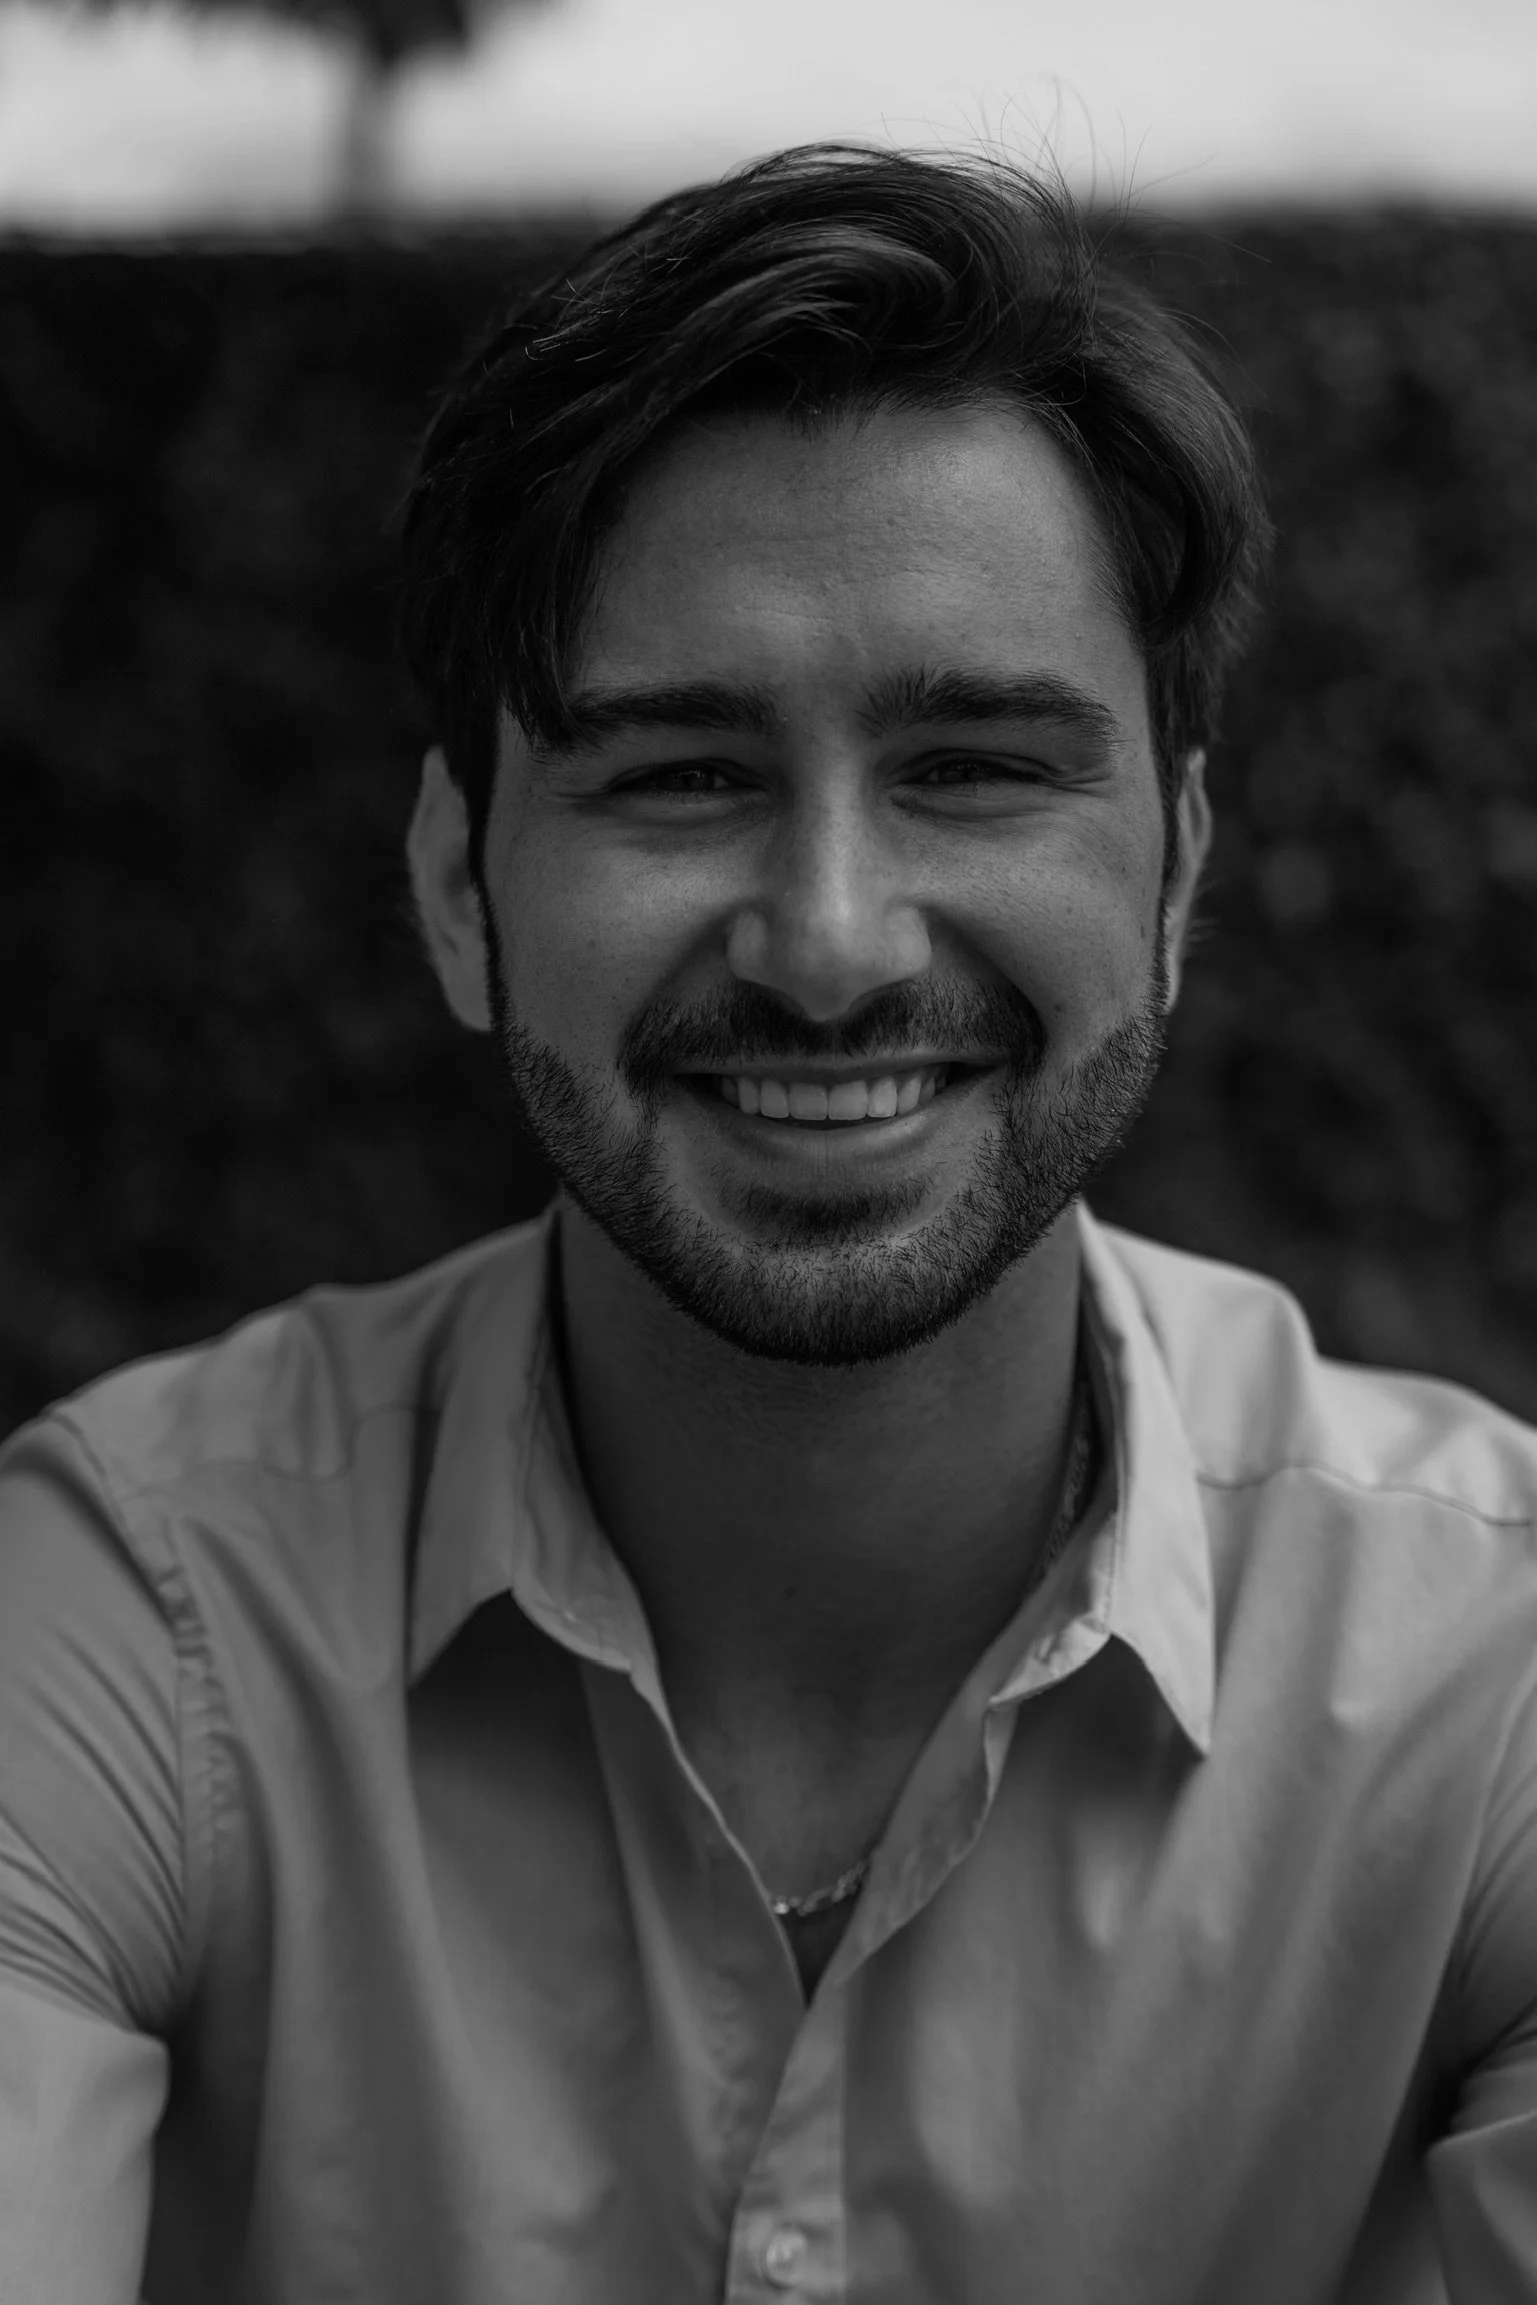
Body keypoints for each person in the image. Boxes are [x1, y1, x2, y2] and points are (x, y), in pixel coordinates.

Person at [2, 141, 1533, 2305]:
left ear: (1177, 879)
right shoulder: (120, 1633)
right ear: (460, 890)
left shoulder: (1490, 1687)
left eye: (978, 767)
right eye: (682, 776)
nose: (828, 943)